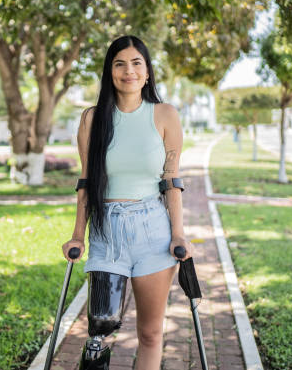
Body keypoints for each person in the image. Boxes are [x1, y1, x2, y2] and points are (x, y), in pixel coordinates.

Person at [61, 35, 193, 370]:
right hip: (107, 233)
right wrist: (78, 235)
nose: (128, 71)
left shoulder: (164, 115)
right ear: (110, 72)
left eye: (136, 63)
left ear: (147, 72)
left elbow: (171, 181)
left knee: (150, 334)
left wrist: (178, 234)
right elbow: (87, 182)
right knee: (99, 332)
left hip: (153, 233)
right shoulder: (93, 119)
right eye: (119, 63)